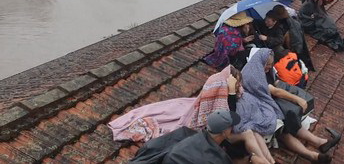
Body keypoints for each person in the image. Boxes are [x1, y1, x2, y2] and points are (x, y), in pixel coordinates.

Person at [111, 65, 275, 164]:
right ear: (225, 131)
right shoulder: (217, 159)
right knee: (249, 135)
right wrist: (231, 93)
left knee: (250, 136)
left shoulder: (185, 134)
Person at [236, 49, 341, 163]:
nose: (269, 68)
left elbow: (274, 85)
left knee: (288, 127)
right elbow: (275, 91)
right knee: (285, 130)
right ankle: (315, 152)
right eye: (268, 65)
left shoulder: (260, 70)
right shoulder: (253, 75)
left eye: (270, 65)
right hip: (259, 110)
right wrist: (297, 99)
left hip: (265, 106)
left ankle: (318, 146)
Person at [163, 110, 267, 164]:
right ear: (225, 132)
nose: (232, 129)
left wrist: (250, 158)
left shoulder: (188, 135)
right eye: (231, 127)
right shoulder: (217, 159)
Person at [272, 5, 315, 71]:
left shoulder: (284, 26)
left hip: (294, 50)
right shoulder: (293, 20)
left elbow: (283, 41)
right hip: (299, 49)